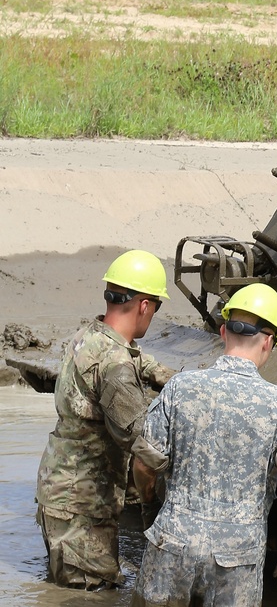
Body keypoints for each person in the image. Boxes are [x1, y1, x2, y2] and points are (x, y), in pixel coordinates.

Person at [123, 283, 277, 607]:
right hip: (237, 558)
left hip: (173, 542)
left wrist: (150, 502)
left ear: (223, 331)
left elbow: (145, 463)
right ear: (269, 342)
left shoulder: (180, 388)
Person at [35, 249, 174, 589]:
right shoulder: (115, 365)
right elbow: (141, 441)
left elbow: (131, 362)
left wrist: (175, 378)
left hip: (59, 491)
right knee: (90, 599)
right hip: (83, 506)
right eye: (155, 306)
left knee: (65, 591)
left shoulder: (89, 335)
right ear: (144, 305)